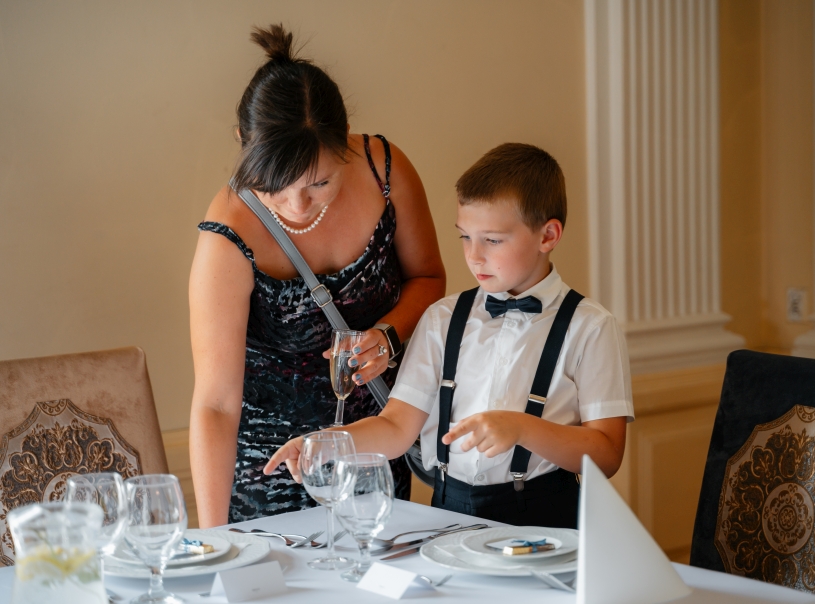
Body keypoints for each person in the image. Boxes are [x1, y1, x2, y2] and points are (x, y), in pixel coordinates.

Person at [264, 143, 633, 528]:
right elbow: (396, 427)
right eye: (465, 237)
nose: (474, 256)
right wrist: (324, 443)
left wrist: (523, 428)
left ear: (548, 236)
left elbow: (607, 455)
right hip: (449, 514)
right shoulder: (442, 318)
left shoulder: (591, 327)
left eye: (492, 240)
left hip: (546, 519)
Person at [188, 24, 446, 527]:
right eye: (274, 186)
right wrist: (214, 539)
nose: (297, 205)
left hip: (371, 457)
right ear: (244, 143)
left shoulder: (385, 172)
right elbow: (216, 404)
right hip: (268, 473)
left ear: (345, 139)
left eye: (320, 183)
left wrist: (387, 336)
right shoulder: (227, 238)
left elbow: (429, 278)